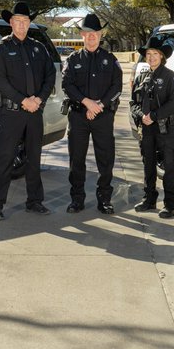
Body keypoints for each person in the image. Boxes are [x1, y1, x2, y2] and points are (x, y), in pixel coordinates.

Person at [0, 1, 55, 220]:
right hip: (11, 114)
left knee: (34, 159)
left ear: (29, 23)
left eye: (25, 21)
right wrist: (23, 100)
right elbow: (1, 82)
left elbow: (50, 75)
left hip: (34, 112)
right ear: (11, 22)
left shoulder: (38, 48)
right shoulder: (1, 50)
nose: (22, 25)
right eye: (18, 21)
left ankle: (34, 201)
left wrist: (39, 99)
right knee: (4, 159)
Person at [61, 13, 123, 214]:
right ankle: (77, 199)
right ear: (81, 35)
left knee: (105, 161)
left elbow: (117, 86)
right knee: (76, 160)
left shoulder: (110, 60)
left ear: (101, 34)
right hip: (78, 116)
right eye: (87, 33)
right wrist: (87, 103)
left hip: (103, 116)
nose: (91, 36)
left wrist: (99, 106)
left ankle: (104, 199)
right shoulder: (72, 59)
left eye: (95, 33)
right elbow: (66, 85)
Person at [130, 35, 174, 218]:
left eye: (155, 53)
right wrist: (141, 116)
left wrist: (153, 116)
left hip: (166, 129)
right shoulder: (141, 77)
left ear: (162, 56)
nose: (151, 57)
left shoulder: (170, 77)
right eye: (148, 54)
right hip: (147, 129)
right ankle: (149, 200)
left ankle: (170, 205)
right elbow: (133, 103)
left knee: (169, 167)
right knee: (148, 165)